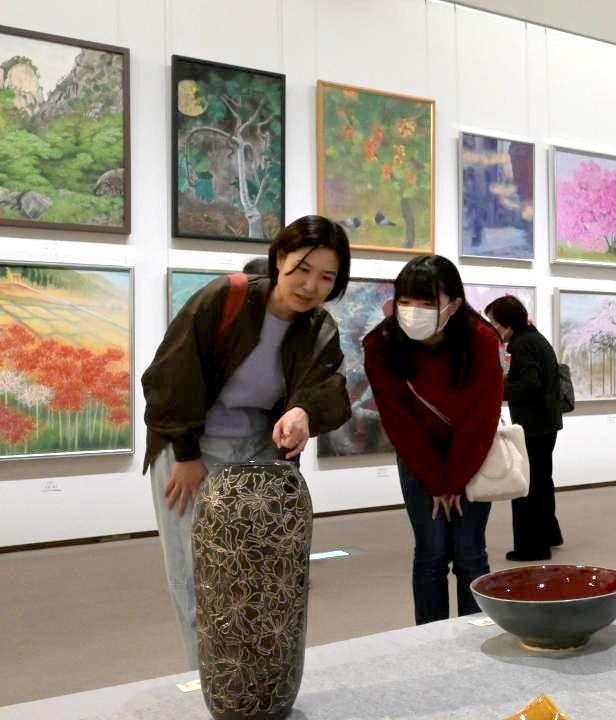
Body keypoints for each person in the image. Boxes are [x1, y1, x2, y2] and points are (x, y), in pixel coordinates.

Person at [141, 215, 352, 666]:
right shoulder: (226, 297)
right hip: (189, 453)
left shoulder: (318, 328)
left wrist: (303, 410)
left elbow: (329, 387)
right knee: (198, 574)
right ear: (280, 258)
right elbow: (168, 377)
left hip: (258, 456)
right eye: (302, 269)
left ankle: (259, 678)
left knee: (263, 572)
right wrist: (186, 455)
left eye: (326, 277)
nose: (310, 285)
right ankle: (211, 679)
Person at [363, 255, 503, 624]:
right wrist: (436, 482)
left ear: (453, 304)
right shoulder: (381, 343)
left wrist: (455, 481)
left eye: (427, 302)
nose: (413, 311)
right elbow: (399, 422)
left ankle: (476, 631)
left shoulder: (480, 339)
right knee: (431, 551)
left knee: (470, 551)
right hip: (418, 458)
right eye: (405, 301)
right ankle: (428, 639)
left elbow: (480, 420)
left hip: (471, 456)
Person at [484, 295, 563, 562]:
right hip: (545, 423)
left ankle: (532, 547)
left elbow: (530, 384)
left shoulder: (522, 344)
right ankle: (549, 534)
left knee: (527, 485)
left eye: (494, 322)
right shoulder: (534, 338)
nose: (493, 328)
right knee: (542, 481)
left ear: (507, 323)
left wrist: (497, 388)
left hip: (532, 425)